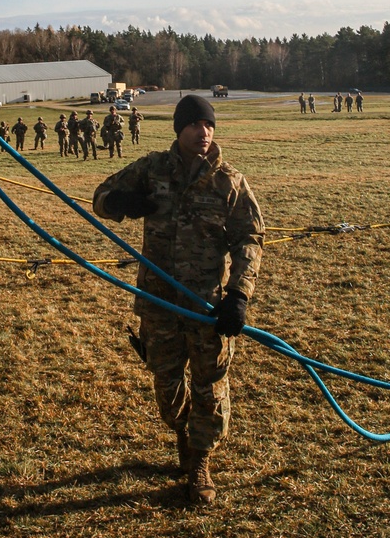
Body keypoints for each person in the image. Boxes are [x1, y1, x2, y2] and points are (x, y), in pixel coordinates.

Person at [93, 94, 263, 507]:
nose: (203, 133)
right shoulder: (152, 169)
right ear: (178, 128)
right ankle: (183, 432)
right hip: (158, 302)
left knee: (209, 385)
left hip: (207, 305)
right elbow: (100, 198)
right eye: (193, 124)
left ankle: (201, 460)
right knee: (167, 385)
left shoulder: (230, 182)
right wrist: (123, 203)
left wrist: (239, 294)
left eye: (208, 125)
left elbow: (250, 239)